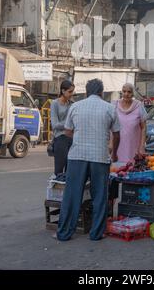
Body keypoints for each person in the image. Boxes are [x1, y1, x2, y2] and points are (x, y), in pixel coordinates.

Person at [56, 79, 120, 241]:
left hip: (77, 156)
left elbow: (68, 131)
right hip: (100, 157)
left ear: (86, 91)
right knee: (99, 196)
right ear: (101, 92)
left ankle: (64, 233)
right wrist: (114, 153)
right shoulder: (110, 108)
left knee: (72, 195)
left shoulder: (75, 106)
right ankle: (96, 233)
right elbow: (117, 134)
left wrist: (80, 136)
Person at [114, 83, 148, 163]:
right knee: (117, 170)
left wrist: (142, 146)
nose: (126, 94)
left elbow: (144, 127)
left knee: (132, 168)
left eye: (129, 92)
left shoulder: (139, 106)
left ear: (133, 93)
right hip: (117, 146)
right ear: (121, 92)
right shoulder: (114, 105)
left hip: (134, 146)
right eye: (124, 91)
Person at [50, 80, 75, 177]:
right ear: (63, 91)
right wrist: (68, 124)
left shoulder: (72, 104)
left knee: (70, 170)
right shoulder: (55, 103)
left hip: (71, 138)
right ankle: (57, 190)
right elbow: (55, 124)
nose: (71, 94)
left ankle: (67, 191)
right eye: (70, 92)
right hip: (60, 138)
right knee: (59, 171)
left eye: (72, 91)